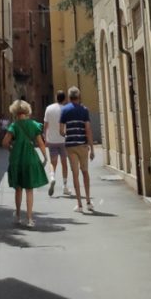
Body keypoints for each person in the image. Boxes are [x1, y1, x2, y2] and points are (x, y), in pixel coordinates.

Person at [2, 99, 49, 227]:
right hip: (30, 159)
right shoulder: (33, 124)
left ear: (15, 112)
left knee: (18, 189)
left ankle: (17, 215)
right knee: (29, 189)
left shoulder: (14, 126)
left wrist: (12, 149)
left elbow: (5, 143)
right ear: (27, 111)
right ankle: (29, 219)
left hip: (17, 159)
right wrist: (45, 157)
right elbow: (40, 143)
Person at [60, 85, 95, 214]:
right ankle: (88, 202)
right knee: (85, 172)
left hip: (70, 146)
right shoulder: (84, 110)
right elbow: (88, 130)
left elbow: (61, 130)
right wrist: (92, 148)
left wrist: (67, 135)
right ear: (79, 97)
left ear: (69, 97)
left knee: (75, 174)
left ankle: (79, 204)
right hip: (82, 145)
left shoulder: (64, 110)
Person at [42, 90, 72, 197]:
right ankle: (64, 187)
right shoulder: (65, 109)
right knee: (64, 163)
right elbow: (67, 125)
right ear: (64, 99)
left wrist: (45, 138)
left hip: (52, 140)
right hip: (63, 140)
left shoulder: (49, 108)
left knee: (53, 162)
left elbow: (45, 125)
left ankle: (52, 177)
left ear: (56, 98)